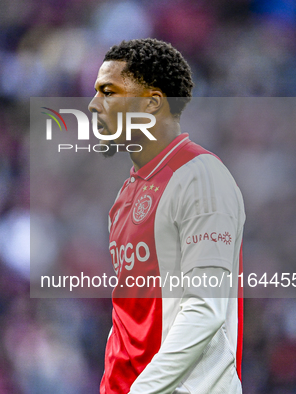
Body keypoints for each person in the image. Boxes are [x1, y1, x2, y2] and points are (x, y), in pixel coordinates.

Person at [88, 38, 245, 394]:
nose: (93, 105)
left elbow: (205, 309)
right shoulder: (125, 196)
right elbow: (129, 319)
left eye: (108, 92)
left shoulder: (201, 177)